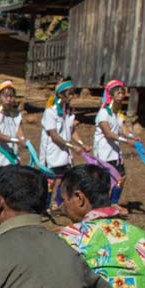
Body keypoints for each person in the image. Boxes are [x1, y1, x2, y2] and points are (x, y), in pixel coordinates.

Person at [39, 79, 86, 210]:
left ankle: (58, 203)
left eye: (72, 93)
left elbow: (72, 130)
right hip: (52, 153)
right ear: (60, 95)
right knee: (50, 181)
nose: (72, 96)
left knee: (66, 179)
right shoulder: (50, 112)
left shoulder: (69, 112)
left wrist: (82, 144)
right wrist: (72, 146)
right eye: (69, 93)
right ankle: (45, 206)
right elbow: (54, 136)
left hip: (65, 153)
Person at [93, 79, 139, 205]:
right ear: (111, 95)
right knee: (103, 181)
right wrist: (127, 141)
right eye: (118, 92)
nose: (121, 94)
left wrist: (132, 136)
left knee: (121, 177)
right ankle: (100, 204)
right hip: (103, 153)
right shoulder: (103, 113)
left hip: (115, 153)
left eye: (122, 92)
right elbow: (108, 133)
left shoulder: (118, 114)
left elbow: (123, 130)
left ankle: (113, 203)